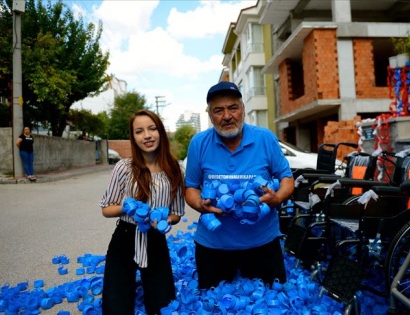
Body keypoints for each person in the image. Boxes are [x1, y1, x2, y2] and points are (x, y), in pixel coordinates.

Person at [185, 81, 295, 289]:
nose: (227, 116)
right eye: (218, 110)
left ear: (243, 109)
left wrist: (278, 198)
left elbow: (287, 179)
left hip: (262, 245)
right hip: (213, 247)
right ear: (210, 115)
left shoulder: (265, 139)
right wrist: (201, 204)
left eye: (233, 108)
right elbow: (190, 187)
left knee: (270, 304)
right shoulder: (198, 144)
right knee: (214, 306)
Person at [99, 109, 185, 315]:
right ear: (134, 137)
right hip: (124, 239)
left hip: (156, 241)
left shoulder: (175, 170)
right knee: (115, 307)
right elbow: (106, 208)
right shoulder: (123, 167)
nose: (147, 135)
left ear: (161, 132)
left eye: (152, 128)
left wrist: (163, 219)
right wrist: (125, 206)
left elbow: (177, 213)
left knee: (161, 306)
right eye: (139, 131)